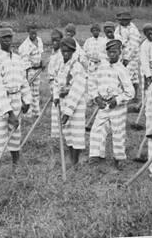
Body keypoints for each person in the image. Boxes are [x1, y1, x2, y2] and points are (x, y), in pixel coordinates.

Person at [88, 39, 134, 170]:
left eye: (115, 52)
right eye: (110, 52)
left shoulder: (122, 69)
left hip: (117, 107)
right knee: (97, 130)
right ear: (107, 53)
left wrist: (118, 100)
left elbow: (130, 92)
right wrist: (96, 98)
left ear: (120, 53)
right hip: (103, 105)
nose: (112, 55)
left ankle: (119, 158)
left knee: (118, 132)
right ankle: (95, 156)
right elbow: (92, 84)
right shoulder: (101, 67)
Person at [0, 26, 31, 167]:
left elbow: (23, 80)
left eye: (9, 37)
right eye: (4, 38)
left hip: (16, 98)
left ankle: (16, 164)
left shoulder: (18, 59)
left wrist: (27, 100)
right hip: (3, 102)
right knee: (0, 136)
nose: (8, 40)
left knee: (15, 133)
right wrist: (9, 113)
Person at [54, 37, 87, 165]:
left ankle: (75, 161)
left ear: (73, 51)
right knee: (68, 132)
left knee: (77, 133)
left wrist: (68, 112)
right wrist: (56, 96)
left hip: (76, 104)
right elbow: (57, 82)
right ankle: (71, 158)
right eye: (63, 51)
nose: (65, 53)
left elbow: (77, 90)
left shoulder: (77, 67)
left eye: (68, 51)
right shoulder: (62, 65)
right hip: (63, 101)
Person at [114, 11, 141, 102]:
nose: (123, 22)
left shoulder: (133, 30)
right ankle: (132, 96)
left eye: (125, 20)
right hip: (122, 55)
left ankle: (131, 96)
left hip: (132, 57)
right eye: (121, 20)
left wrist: (127, 58)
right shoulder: (118, 29)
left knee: (128, 76)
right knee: (131, 77)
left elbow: (133, 45)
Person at [18, 24, 44, 117]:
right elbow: (24, 62)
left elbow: (41, 54)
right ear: (28, 31)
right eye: (31, 30)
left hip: (38, 70)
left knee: (36, 92)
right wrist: (27, 75)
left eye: (35, 29)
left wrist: (42, 64)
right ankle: (28, 114)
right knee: (28, 92)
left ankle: (36, 112)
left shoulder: (39, 40)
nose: (33, 32)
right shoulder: (24, 46)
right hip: (30, 71)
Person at [48, 29, 64, 156]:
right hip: (52, 86)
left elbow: (60, 76)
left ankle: (61, 143)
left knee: (59, 114)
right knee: (54, 115)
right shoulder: (53, 54)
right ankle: (56, 142)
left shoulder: (61, 55)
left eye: (57, 40)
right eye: (52, 40)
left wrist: (56, 92)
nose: (54, 42)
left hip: (59, 88)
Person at [83, 23, 108, 99]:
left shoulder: (103, 40)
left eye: (97, 30)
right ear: (91, 32)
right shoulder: (88, 41)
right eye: (93, 31)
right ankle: (92, 97)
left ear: (99, 31)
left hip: (101, 64)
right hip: (91, 64)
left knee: (100, 80)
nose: (95, 32)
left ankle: (101, 96)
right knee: (91, 81)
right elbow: (84, 52)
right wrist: (86, 63)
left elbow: (106, 52)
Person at [139, 23, 152, 90]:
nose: (150, 33)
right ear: (145, 34)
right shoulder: (144, 45)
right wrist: (148, 76)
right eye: (147, 32)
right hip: (149, 71)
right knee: (148, 91)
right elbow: (144, 62)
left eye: (151, 31)